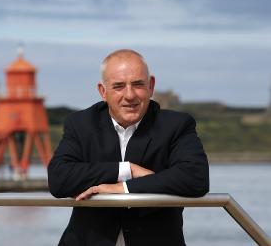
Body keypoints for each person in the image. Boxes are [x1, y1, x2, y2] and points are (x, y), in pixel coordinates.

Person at [47, 49, 209, 246]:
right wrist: (126, 170)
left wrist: (123, 188)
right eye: (119, 86)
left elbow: (196, 178)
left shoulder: (176, 125)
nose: (129, 95)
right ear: (102, 91)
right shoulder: (81, 124)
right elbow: (58, 178)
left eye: (138, 84)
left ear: (151, 86)